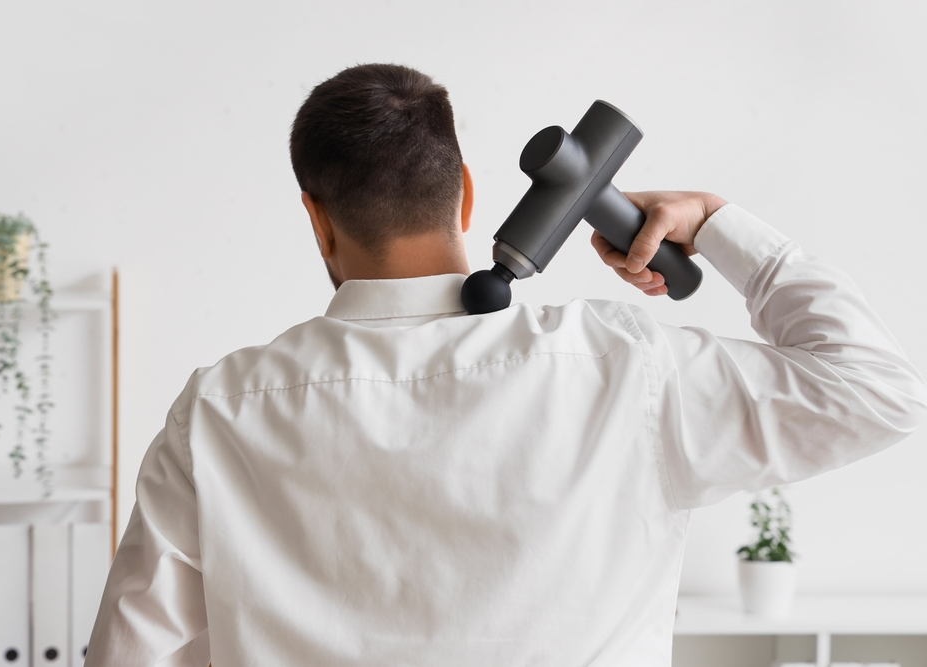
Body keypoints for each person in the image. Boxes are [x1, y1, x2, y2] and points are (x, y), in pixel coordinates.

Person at [85, 64, 927, 666]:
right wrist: (714, 222)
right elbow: (878, 392)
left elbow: (129, 653)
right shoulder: (619, 367)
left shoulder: (221, 410)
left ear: (317, 217)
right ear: (469, 195)